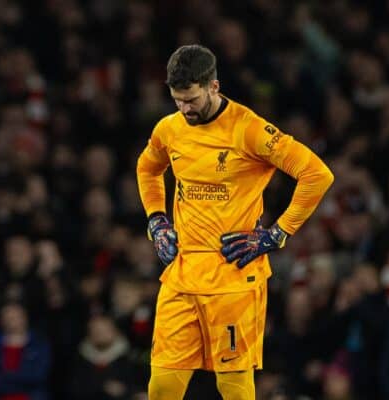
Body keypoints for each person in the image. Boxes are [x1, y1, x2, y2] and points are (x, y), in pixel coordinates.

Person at [136, 44, 334, 400]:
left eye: (191, 99)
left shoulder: (249, 130)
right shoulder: (169, 129)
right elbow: (148, 168)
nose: (184, 108)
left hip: (234, 275)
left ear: (213, 86)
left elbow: (316, 174)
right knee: (162, 386)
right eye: (177, 99)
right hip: (183, 272)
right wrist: (156, 220)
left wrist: (277, 234)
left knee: (233, 386)